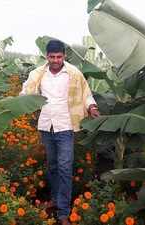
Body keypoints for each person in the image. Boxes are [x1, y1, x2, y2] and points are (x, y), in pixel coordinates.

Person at [20, 39, 100, 225]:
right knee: (53, 166)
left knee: (65, 167)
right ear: (46, 56)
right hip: (46, 125)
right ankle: (55, 200)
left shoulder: (73, 73)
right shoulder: (38, 74)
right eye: (52, 57)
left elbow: (86, 94)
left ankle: (63, 212)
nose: (55, 60)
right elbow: (25, 93)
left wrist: (92, 107)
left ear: (64, 56)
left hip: (65, 125)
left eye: (59, 56)